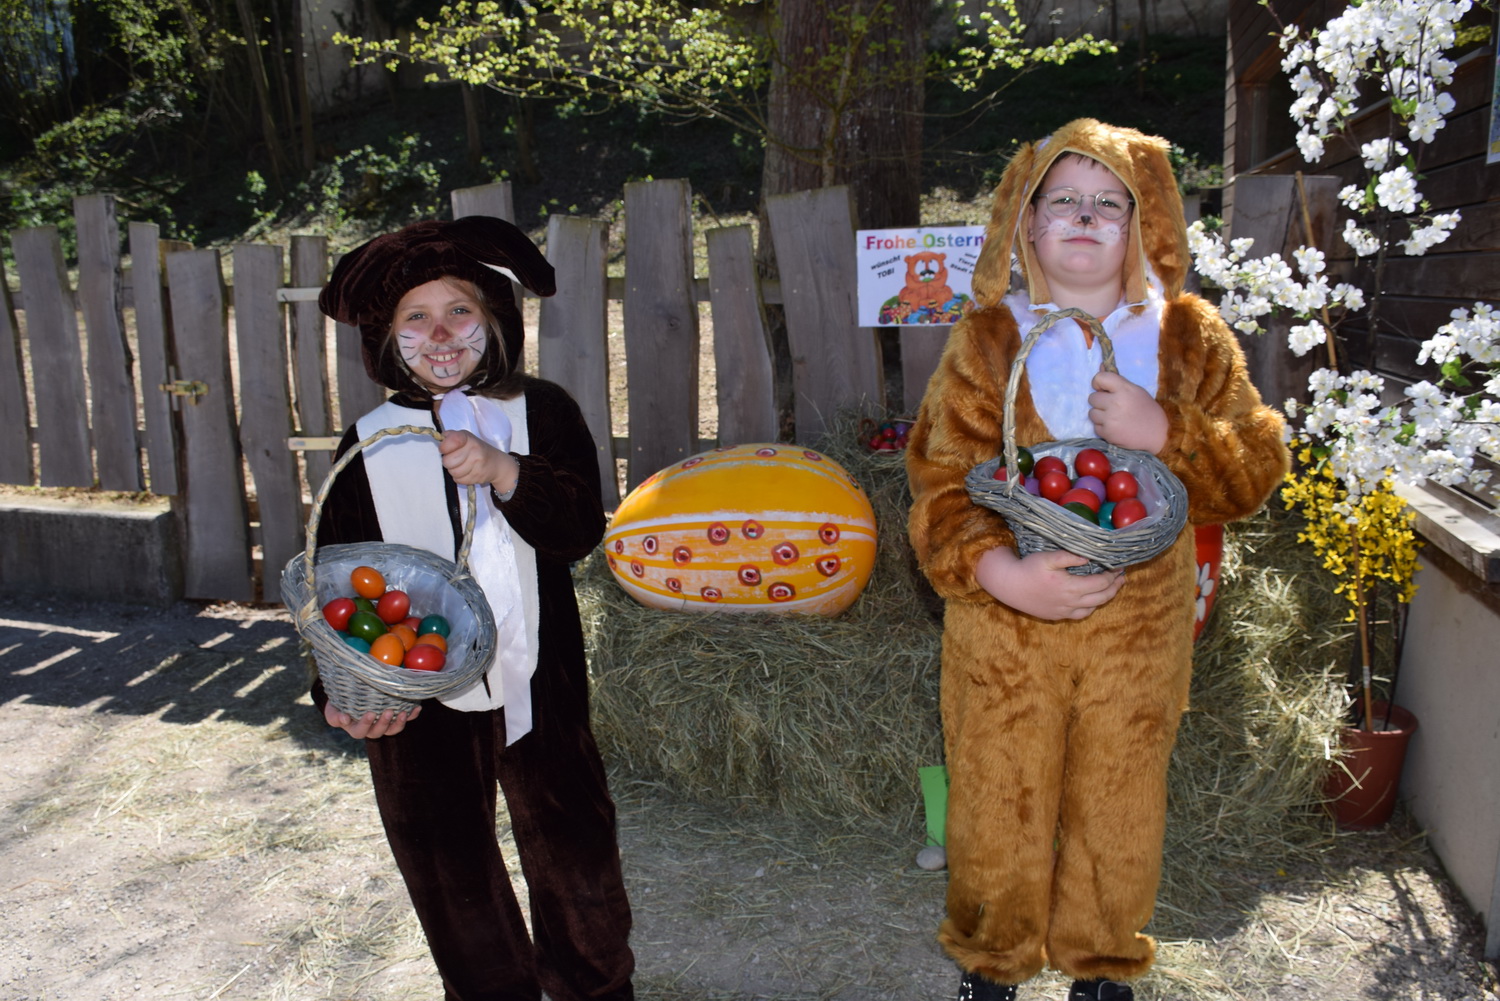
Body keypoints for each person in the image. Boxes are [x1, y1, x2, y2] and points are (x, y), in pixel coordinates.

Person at [905, 119, 1289, 1001]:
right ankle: (993, 958)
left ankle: (1102, 958)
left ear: (1145, 220)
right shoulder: (990, 338)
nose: (1085, 218)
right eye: (1063, 201)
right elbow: (938, 480)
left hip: (1139, 621)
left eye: (1109, 204)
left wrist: (1170, 435)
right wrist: (1000, 573)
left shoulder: (1188, 337)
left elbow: (1255, 465)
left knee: (1120, 790)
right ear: (1027, 224)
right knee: (997, 786)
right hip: (1004, 627)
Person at [313, 216, 635, 1001]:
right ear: (388, 340)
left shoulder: (544, 411)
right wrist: (337, 690)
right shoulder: (369, 441)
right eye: (414, 318)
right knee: (443, 854)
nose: (440, 332)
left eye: (459, 310)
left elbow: (579, 529)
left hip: (538, 674)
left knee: (572, 840)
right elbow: (332, 581)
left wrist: (503, 470)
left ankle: (594, 982)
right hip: (411, 693)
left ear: (494, 321)